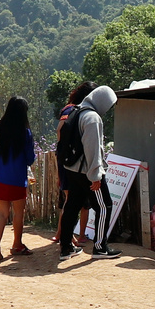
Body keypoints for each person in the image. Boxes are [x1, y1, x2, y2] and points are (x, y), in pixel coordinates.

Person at [57, 84, 121, 262]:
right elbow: (93, 149)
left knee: (72, 206)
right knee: (104, 206)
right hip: (87, 172)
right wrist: (96, 176)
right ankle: (101, 247)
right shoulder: (92, 118)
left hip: (72, 169)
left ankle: (66, 248)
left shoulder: (76, 111)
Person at [0, 95, 36, 262]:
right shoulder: (25, 133)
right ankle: (17, 244)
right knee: (18, 213)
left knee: (2, 213)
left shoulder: (0, 127)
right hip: (16, 178)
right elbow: (30, 158)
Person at [57, 81, 96, 245]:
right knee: (71, 199)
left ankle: (71, 235)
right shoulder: (73, 110)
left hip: (68, 159)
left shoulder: (72, 109)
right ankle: (66, 236)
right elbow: (60, 130)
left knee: (76, 200)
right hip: (73, 161)